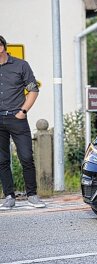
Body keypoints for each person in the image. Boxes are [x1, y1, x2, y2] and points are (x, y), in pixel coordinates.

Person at [0, 35, 45, 210]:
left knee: (26, 157)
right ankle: (9, 196)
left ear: (2, 47)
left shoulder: (21, 65)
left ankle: (32, 195)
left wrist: (23, 111)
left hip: (16, 118)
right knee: (2, 160)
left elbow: (33, 89)